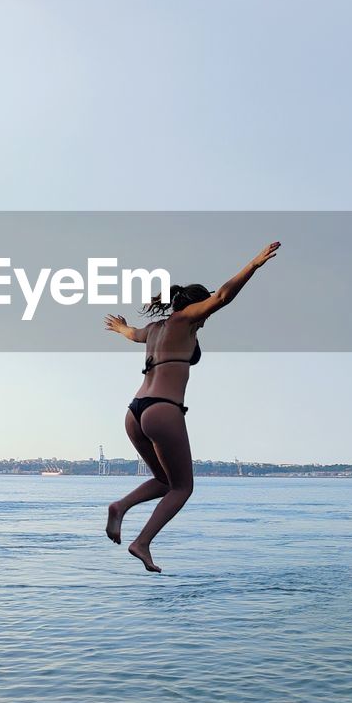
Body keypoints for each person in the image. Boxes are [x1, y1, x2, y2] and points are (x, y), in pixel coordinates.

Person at [104, 242, 281, 572]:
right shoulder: (185, 320)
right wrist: (254, 264)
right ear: (196, 306)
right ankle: (141, 542)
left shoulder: (155, 329)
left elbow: (132, 334)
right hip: (163, 410)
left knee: (163, 481)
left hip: (135, 412)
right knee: (183, 487)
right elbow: (224, 296)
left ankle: (120, 506)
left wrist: (120, 328)